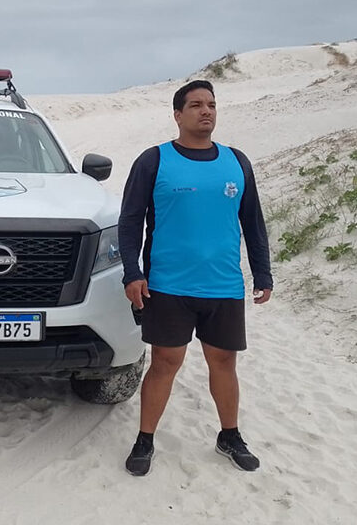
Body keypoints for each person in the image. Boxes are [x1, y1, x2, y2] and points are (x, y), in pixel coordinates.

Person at [117, 79, 273, 476]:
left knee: (223, 360)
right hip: (168, 284)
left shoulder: (236, 162)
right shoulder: (154, 161)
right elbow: (130, 221)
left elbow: (253, 222)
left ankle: (230, 435)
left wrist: (262, 272)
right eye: (196, 105)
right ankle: (145, 439)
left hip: (222, 284)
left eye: (212, 104)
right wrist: (132, 273)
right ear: (178, 114)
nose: (206, 111)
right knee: (166, 361)